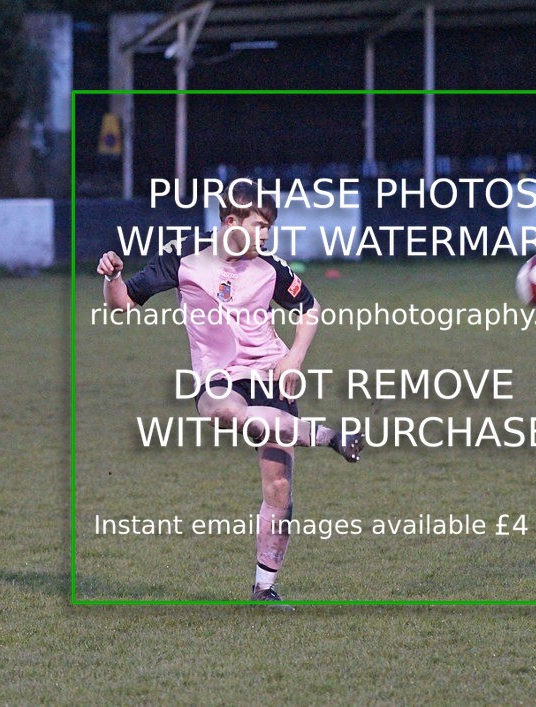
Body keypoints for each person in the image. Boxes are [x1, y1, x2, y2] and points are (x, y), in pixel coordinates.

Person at [96, 178, 365, 604]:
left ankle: (264, 589)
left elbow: (310, 308)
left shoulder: (270, 268)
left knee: (278, 487)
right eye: (258, 226)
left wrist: (294, 357)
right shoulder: (185, 258)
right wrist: (112, 277)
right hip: (219, 372)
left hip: (269, 374)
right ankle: (329, 436)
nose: (264, 237)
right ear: (230, 221)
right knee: (222, 410)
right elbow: (123, 303)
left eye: (268, 229)